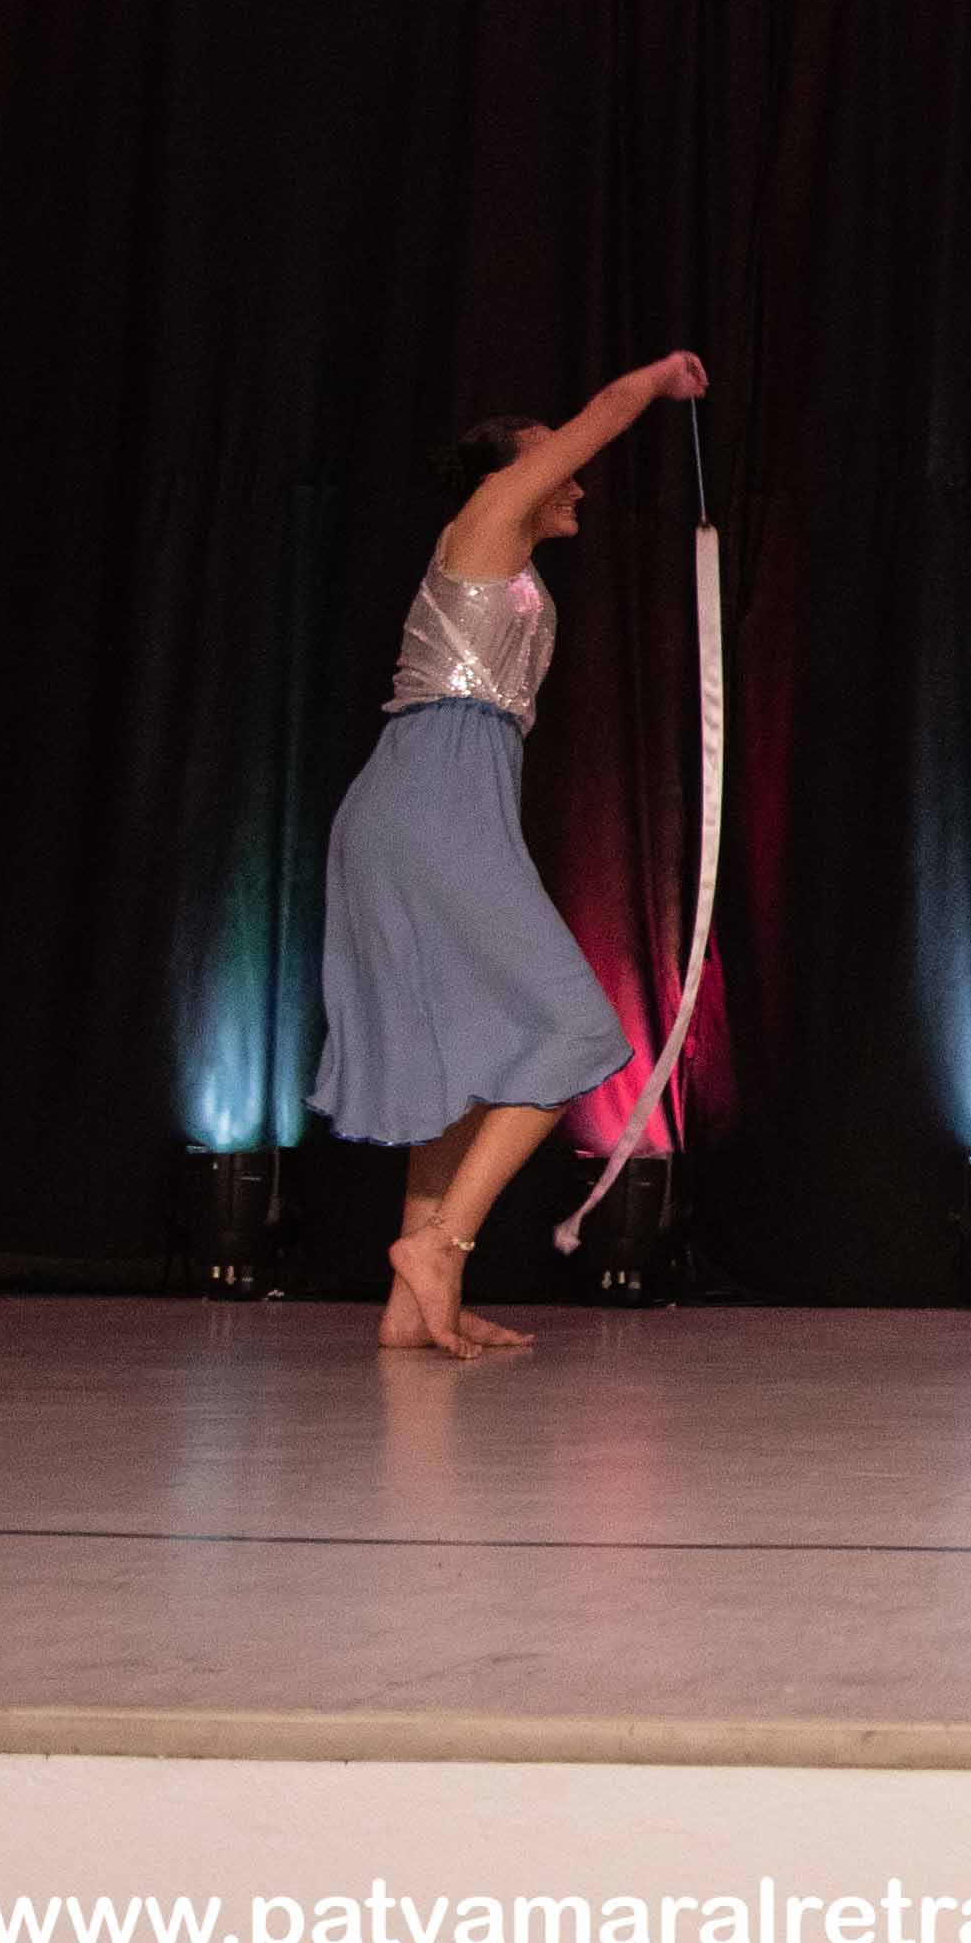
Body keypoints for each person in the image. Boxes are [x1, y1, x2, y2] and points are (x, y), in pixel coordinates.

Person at [314, 353, 701, 1362]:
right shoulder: (484, 521)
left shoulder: (514, 568)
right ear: (508, 476)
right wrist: (656, 378)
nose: (574, 484)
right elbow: (602, 415)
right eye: (554, 466)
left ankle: (414, 1305)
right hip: (427, 795)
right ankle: (440, 1245)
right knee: (576, 1029)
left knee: (462, 1057)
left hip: (454, 796)